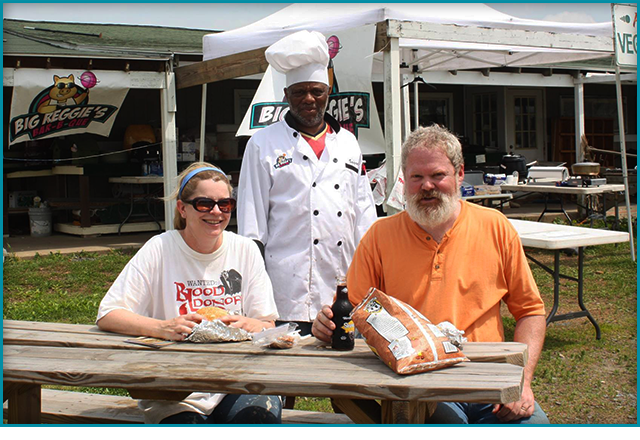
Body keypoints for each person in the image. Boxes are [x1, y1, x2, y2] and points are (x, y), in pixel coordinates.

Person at [312, 125, 550, 424]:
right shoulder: (380, 235)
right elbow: (353, 310)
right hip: (418, 381)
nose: (427, 186)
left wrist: (522, 383)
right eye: (416, 177)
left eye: (437, 175)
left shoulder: (496, 227)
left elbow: (530, 312)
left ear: (459, 174)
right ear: (404, 180)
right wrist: (327, 324)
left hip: (491, 378)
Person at [97, 162, 282, 425]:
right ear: (182, 208)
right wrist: (162, 327)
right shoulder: (159, 248)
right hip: (174, 389)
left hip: (238, 381)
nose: (216, 212)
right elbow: (108, 314)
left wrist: (250, 324)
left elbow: (267, 323)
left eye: (225, 204)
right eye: (204, 204)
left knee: (258, 418)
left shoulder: (245, 249)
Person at [238, 30, 377, 336]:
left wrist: (371, 274)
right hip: (287, 285)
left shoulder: (349, 143)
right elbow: (251, 224)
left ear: (328, 92)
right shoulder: (263, 144)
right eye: (300, 92)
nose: (309, 99)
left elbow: (365, 216)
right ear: (286, 95)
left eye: (316, 91)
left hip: (342, 281)